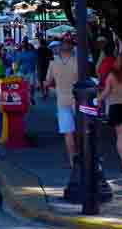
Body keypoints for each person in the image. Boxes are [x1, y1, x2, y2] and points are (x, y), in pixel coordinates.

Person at [46, 39, 79, 167]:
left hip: (62, 100)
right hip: (79, 99)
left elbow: (47, 82)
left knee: (68, 132)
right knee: (82, 130)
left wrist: (57, 89)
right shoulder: (78, 62)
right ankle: (82, 157)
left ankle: (72, 161)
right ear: (72, 49)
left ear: (60, 49)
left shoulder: (53, 63)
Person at [100, 53, 122, 172]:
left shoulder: (112, 75)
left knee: (121, 136)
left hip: (116, 107)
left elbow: (106, 92)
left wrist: (98, 101)